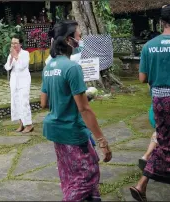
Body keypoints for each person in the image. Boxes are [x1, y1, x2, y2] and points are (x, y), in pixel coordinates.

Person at [41, 20, 112, 201]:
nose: (80, 41)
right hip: (72, 131)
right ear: (68, 40)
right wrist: (102, 142)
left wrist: (70, 98)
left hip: (55, 130)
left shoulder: (49, 66)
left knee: (69, 173)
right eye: (79, 37)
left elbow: (44, 102)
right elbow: (84, 109)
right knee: (88, 173)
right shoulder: (72, 67)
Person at [130, 4, 170, 201]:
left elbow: (142, 78)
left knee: (164, 140)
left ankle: (141, 184)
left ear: (161, 22)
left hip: (159, 101)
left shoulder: (150, 46)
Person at [4, 34, 34, 133]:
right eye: (12, 43)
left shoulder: (25, 53)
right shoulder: (11, 54)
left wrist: (16, 56)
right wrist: (12, 57)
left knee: (23, 102)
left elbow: (22, 66)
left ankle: (29, 125)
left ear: (20, 44)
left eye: (16, 43)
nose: (13, 45)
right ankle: (21, 124)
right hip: (14, 81)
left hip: (23, 80)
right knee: (16, 102)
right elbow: (7, 67)